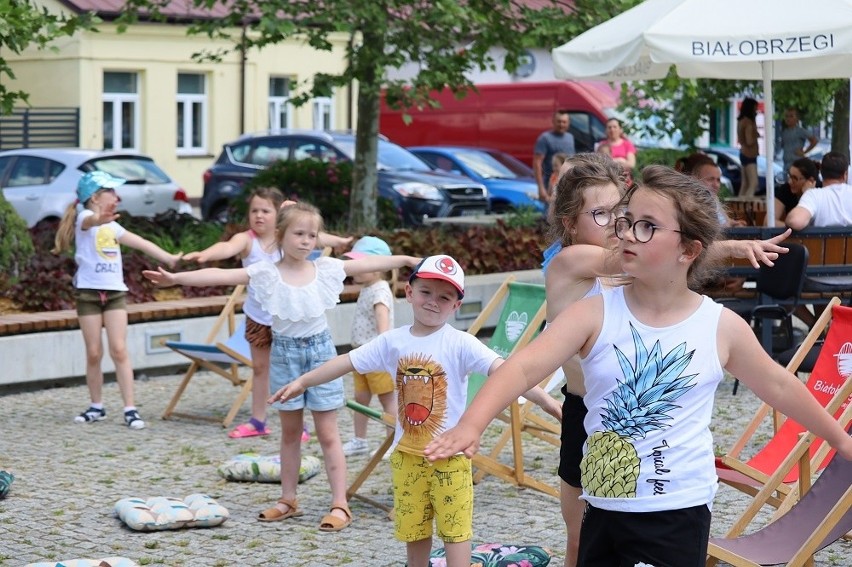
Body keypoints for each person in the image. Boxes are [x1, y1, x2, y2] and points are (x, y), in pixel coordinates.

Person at [422, 166, 852, 567]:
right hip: (604, 503)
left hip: (679, 510)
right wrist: (472, 424)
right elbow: (522, 367)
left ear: (688, 249)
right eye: (625, 221)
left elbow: (779, 385)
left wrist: (840, 441)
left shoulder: (721, 327)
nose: (625, 233)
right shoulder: (592, 313)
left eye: (645, 226)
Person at [543, 154, 788, 567]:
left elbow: (663, 261)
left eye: (620, 214)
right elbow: (635, 257)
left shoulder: (634, 268)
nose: (615, 226)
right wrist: (726, 247)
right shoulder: (570, 262)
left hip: (633, 418)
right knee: (580, 537)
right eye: (600, 215)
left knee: (629, 527)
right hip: (583, 411)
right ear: (570, 224)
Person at [142, 201, 421, 531]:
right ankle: (288, 500)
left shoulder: (327, 269)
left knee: (328, 434)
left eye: (311, 235)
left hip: (321, 358)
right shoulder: (265, 273)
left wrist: (404, 260)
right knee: (290, 434)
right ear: (280, 235)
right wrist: (175, 277)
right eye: (298, 233)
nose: (305, 240)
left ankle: (340, 505)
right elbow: (219, 274)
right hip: (285, 357)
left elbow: (373, 263)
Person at [268, 255, 562, 567]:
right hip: (407, 457)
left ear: (456, 306)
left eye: (444, 297)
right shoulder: (392, 341)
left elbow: (509, 372)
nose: (433, 301)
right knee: (415, 529)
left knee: (455, 530)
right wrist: (303, 381)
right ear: (409, 292)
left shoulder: (462, 344)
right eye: (426, 292)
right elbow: (346, 362)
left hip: (450, 457)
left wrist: (549, 403)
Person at [183, 189, 351, 439]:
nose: (259, 216)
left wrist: (339, 242)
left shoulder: (290, 236)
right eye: (254, 211)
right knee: (261, 369)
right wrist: (205, 255)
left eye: (265, 211)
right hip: (260, 318)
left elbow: (316, 234)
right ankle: (258, 420)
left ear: (278, 216)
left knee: (299, 372)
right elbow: (226, 248)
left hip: (293, 321)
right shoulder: (246, 239)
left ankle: (300, 424)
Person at [53, 171, 183, 430]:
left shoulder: (114, 226)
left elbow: (141, 242)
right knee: (93, 352)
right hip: (88, 294)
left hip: (114, 294)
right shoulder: (83, 218)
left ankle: (130, 408)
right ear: (95, 198)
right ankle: (96, 406)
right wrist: (98, 218)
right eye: (110, 192)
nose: (116, 196)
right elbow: (90, 222)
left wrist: (169, 258)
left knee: (119, 349)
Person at [339, 236, 397, 457]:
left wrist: (384, 350)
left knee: (387, 400)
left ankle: (393, 443)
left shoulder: (380, 291)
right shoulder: (368, 287)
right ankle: (359, 440)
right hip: (361, 356)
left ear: (377, 266)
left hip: (377, 358)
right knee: (361, 399)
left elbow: (383, 324)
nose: (353, 267)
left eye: (359, 263)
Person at [785, 151, 852, 229]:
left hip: (823, 241)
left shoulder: (813, 195)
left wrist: (806, 194)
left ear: (821, 173)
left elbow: (795, 221)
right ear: (845, 174)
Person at [533, 111, 576, 203]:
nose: (561, 124)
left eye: (564, 122)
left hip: (568, 183)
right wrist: (541, 187)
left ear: (568, 123)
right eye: (559, 121)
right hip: (550, 184)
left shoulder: (570, 137)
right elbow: (537, 163)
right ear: (553, 121)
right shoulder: (545, 138)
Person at [774, 157, 818, 227]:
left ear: (810, 181)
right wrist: (795, 229)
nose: (790, 182)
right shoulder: (785, 189)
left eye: (794, 178)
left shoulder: (821, 191)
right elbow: (769, 222)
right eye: (789, 176)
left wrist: (807, 194)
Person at [596, 117, 636, 183]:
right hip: (607, 181)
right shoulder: (601, 145)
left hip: (625, 181)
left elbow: (631, 164)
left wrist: (610, 162)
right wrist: (620, 160)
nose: (612, 129)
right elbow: (599, 163)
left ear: (620, 129)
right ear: (606, 130)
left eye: (615, 127)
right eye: (609, 127)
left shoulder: (627, 144)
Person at [780, 107, 818, 174]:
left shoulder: (800, 131)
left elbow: (814, 140)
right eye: (786, 116)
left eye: (791, 116)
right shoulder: (784, 132)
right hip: (786, 165)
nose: (788, 119)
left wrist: (805, 152)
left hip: (797, 164)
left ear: (797, 119)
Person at [736, 97, 760, 197]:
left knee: (745, 184)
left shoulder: (741, 120)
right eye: (755, 108)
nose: (756, 110)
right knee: (754, 183)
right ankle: (746, 206)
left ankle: (738, 207)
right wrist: (756, 135)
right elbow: (749, 141)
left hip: (743, 153)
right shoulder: (749, 122)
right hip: (749, 154)